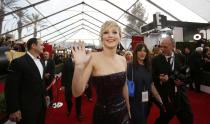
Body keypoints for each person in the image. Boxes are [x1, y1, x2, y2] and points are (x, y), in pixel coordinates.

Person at [72, 20, 131, 124]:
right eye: (106, 32)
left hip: (123, 113)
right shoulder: (92, 58)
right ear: (101, 38)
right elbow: (77, 93)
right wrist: (79, 67)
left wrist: (128, 106)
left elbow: (124, 86)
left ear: (120, 37)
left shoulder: (122, 59)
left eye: (114, 32)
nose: (110, 35)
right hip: (103, 116)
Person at [152, 36, 193, 124]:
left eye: (165, 47)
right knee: (165, 116)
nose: (162, 49)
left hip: (180, 93)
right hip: (165, 95)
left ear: (173, 46)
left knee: (188, 117)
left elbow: (186, 73)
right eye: (161, 46)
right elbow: (152, 76)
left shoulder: (181, 57)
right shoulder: (155, 60)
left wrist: (182, 81)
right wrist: (159, 78)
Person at [5, 38, 47, 124]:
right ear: (33, 46)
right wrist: (13, 110)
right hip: (27, 110)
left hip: (41, 106)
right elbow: (11, 88)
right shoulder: (18, 62)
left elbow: (41, 81)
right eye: (41, 44)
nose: (43, 47)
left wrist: (45, 95)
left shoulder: (42, 62)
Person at [127, 43, 162, 124]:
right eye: (140, 51)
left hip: (145, 100)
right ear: (136, 53)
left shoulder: (148, 67)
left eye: (144, 51)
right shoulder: (129, 66)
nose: (142, 53)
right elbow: (124, 85)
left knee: (143, 119)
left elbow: (151, 84)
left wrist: (159, 98)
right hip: (133, 100)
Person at [61, 55, 83, 121]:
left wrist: (86, 82)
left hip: (78, 84)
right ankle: (69, 106)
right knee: (68, 99)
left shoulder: (82, 61)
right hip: (68, 84)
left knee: (78, 100)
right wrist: (63, 85)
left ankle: (78, 113)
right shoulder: (67, 62)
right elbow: (63, 73)